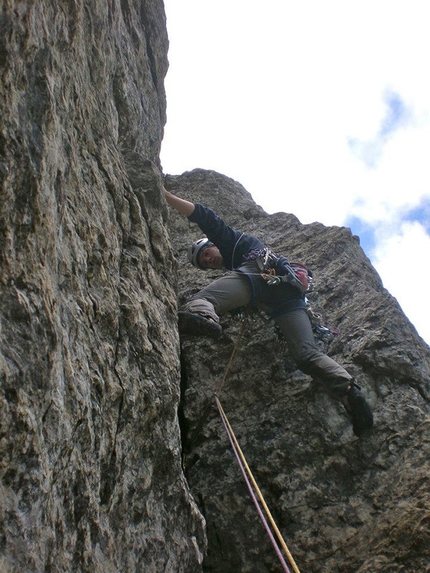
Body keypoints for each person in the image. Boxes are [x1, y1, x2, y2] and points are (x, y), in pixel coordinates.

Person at [164, 188, 374, 437]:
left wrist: (165, 195)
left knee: (202, 299)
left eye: (206, 254)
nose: (208, 261)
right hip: (286, 300)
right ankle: (349, 392)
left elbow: (205, 216)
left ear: (213, 245)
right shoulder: (235, 260)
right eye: (204, 263)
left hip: (259, 275)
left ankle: (204, 315)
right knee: (306, 354)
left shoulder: (232, 241)